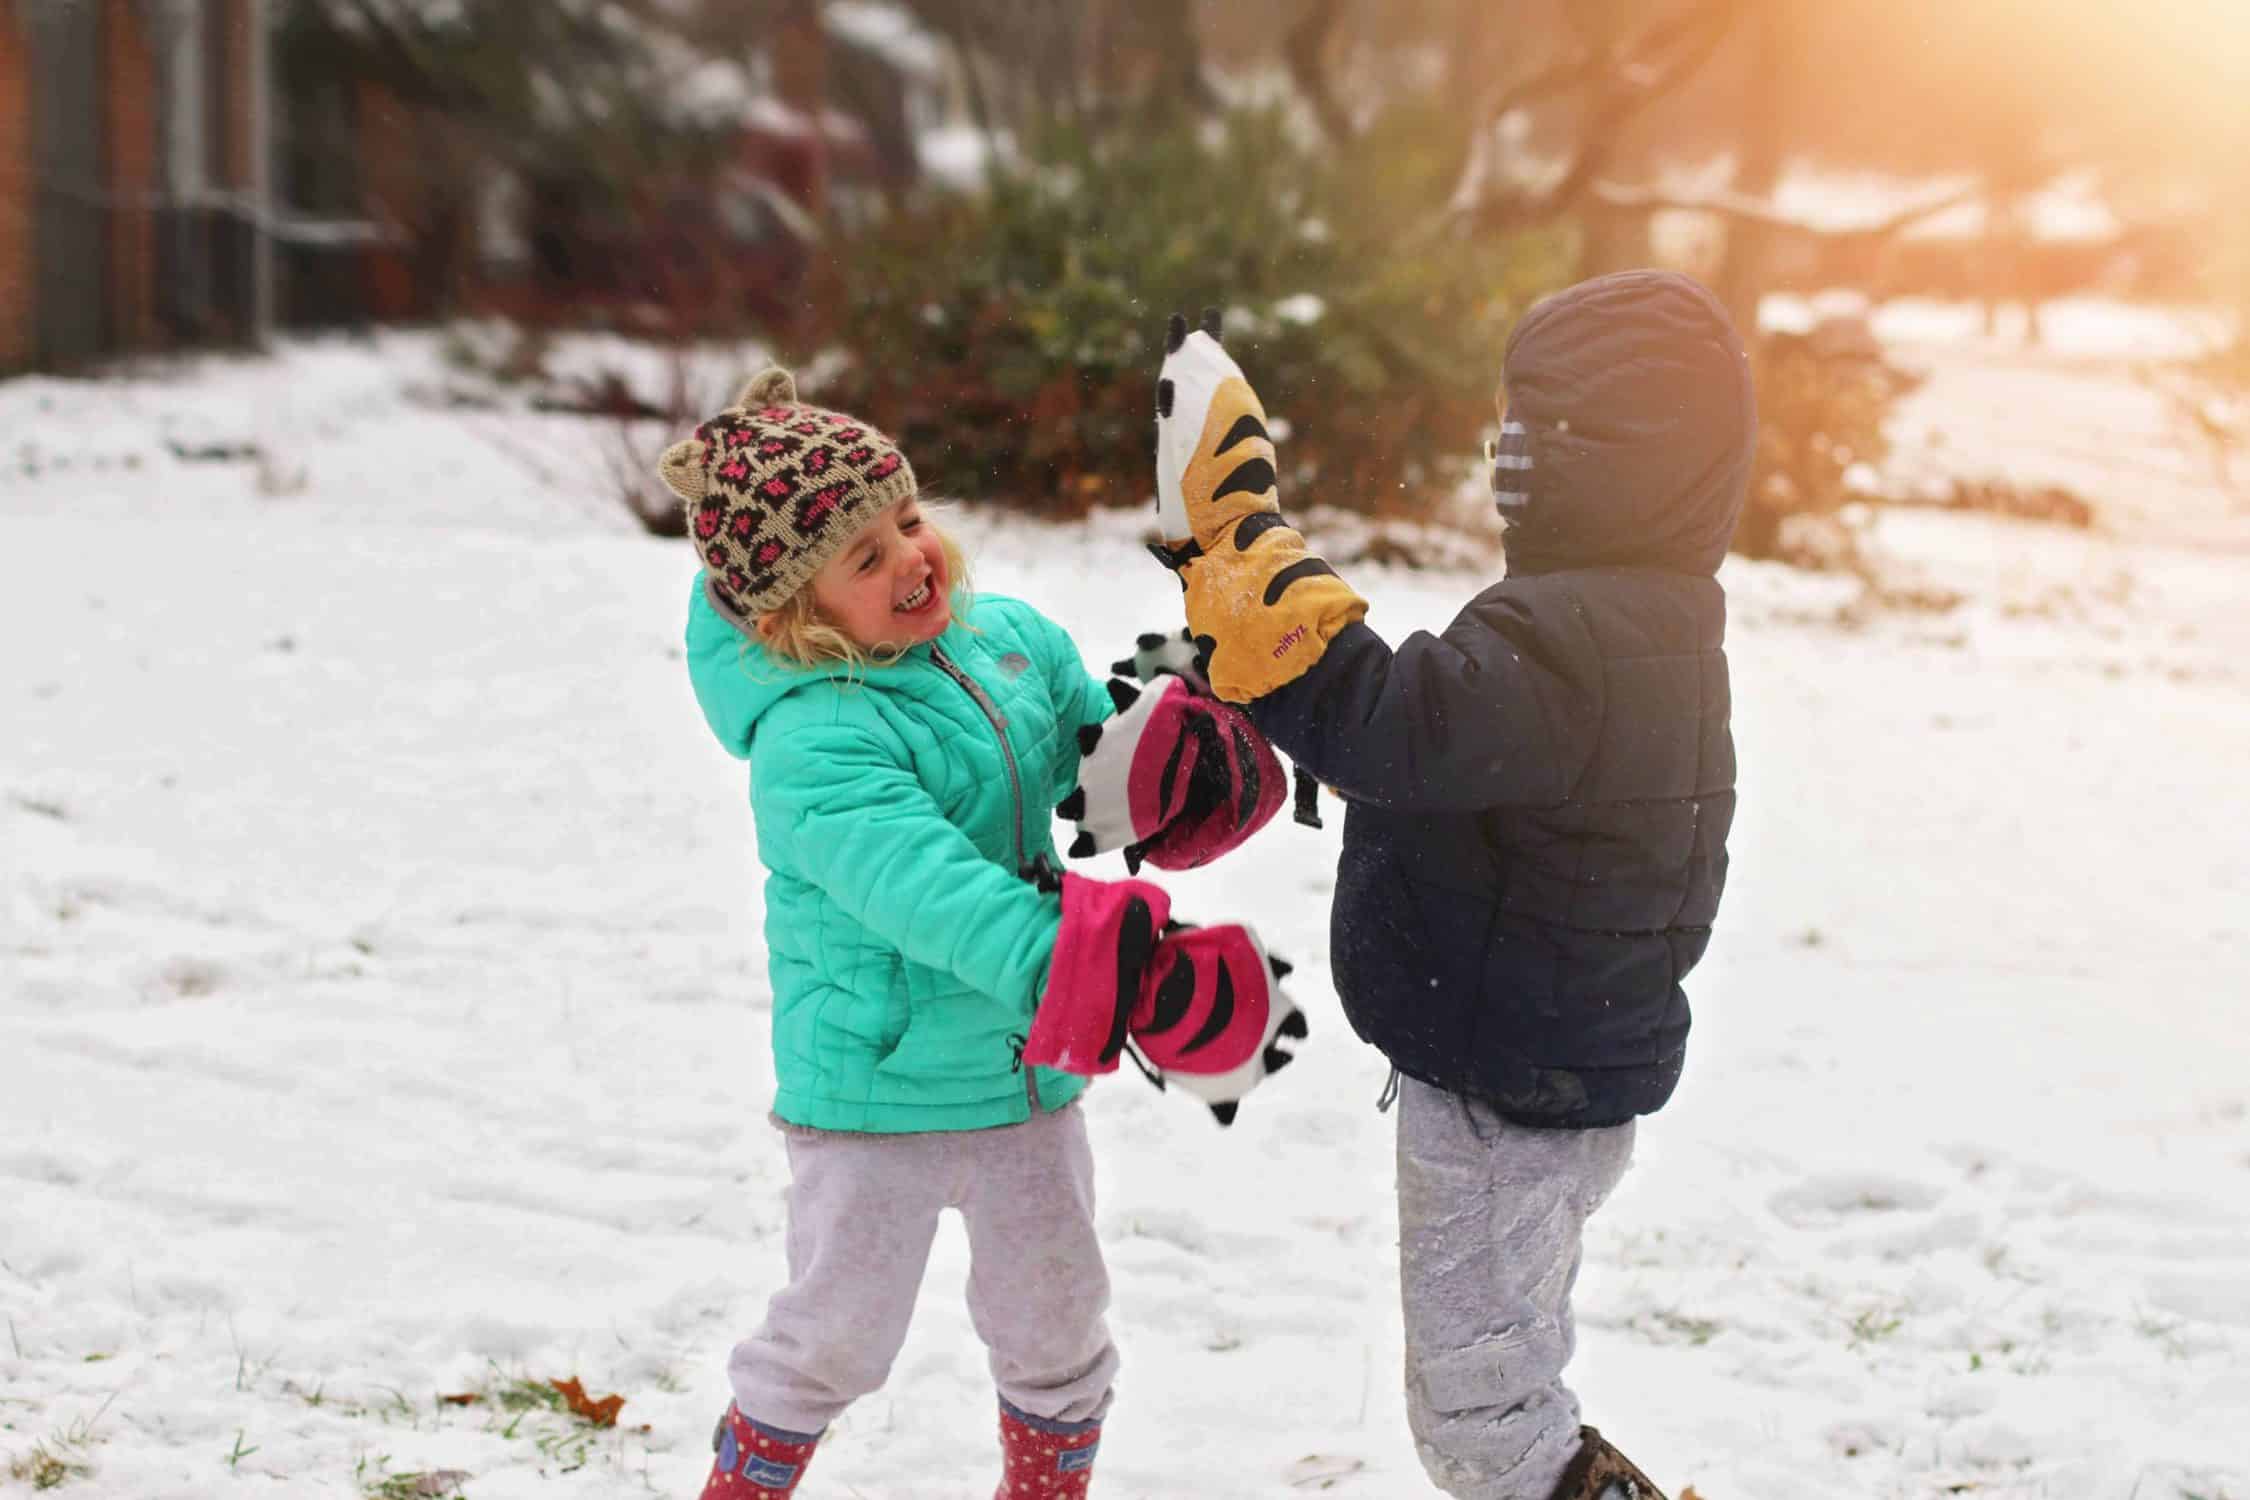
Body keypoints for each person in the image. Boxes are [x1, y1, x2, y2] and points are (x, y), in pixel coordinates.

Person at [1135, 274, 1754, 1500]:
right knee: (1504, 1390)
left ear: (1607, 460)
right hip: (1546, 1067)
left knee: (1487, 1425)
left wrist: (1246, 544)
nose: (1502, 456)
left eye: (1530, 432)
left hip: (1505, 1097)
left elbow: (1391, 728)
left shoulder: (1573, 641)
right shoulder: (1640, 621)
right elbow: (1443, 751)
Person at [661, 368, 1301, 1499]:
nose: (913, 556)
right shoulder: (811, 746)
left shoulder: (1006, 640)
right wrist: (1109, 971)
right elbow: (931, 892)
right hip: (878, 1095)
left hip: (1024, 1081)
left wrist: (1175, 765)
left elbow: (1093, 760)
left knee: (1058, 1327)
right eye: (864, 557)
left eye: (907, 520)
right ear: (793, 620)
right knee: (837, 1339)